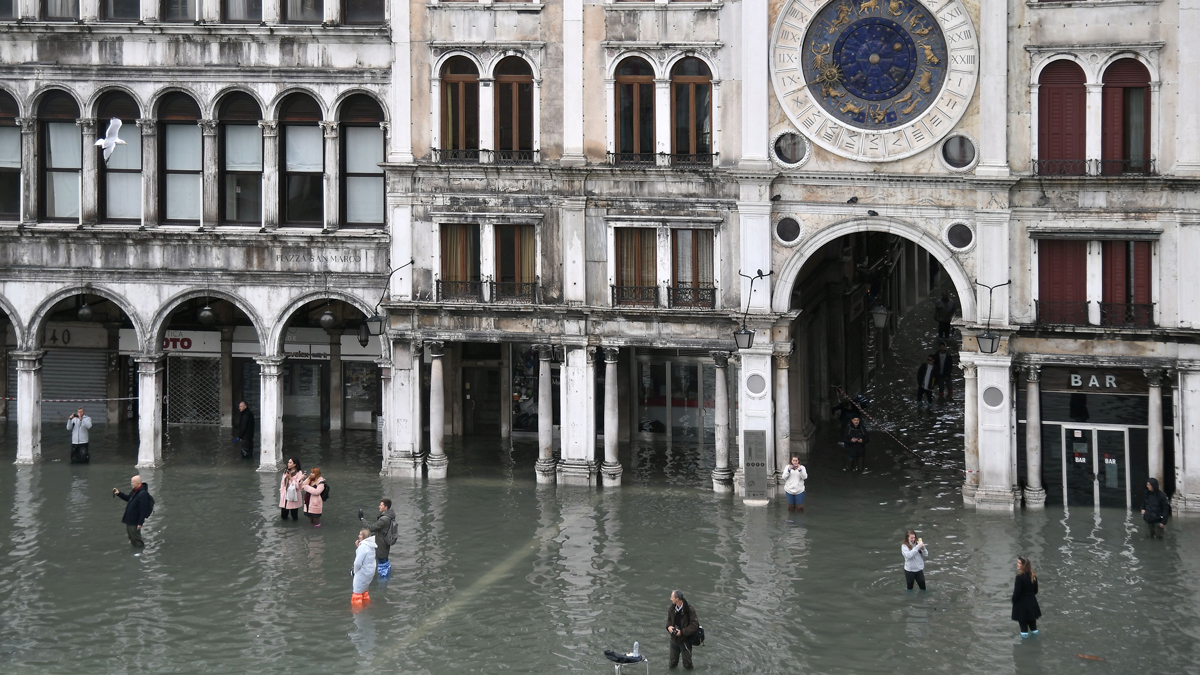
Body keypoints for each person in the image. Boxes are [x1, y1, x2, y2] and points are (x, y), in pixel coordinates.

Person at [113, 475, 154, 548]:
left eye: (132, 482)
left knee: (136, 538)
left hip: (135, 520)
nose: (131, 483)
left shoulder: (143, 493)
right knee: (132, 537)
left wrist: (140, 523)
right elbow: (129, 498)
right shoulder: (135, 491)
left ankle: (139, 552)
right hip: (130, 519)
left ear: (137, 483)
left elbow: (143, 509)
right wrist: (119, 493)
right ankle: (135, 550)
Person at [362, 498, 396, 579]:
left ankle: (382, 584)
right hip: (385, 544)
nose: (379, 507)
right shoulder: (390, 516)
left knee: (382, 565)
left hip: (381, 545)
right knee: (385, 563)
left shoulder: (383, 519)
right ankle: (387, 578)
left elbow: (371, 528)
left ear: (386, 507)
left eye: (381, 505)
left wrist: (362, 519)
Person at [665, 589, 699, 670]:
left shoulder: (689, 610)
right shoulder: (671, 609)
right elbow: (669, 621)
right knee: (672, 663)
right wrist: (668, 627)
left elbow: (694, 625)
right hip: (674, 640)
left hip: (685, 641)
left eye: (672, 597)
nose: (670, 599)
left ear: (677, 599)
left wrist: (682, 632)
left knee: (687, 664)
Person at [1011, 556, 1042, 638]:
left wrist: (1013, 601)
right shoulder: (1033, 576)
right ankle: (1036, 643)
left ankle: (1024, 647)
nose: (1017, 564)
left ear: (1024, 565)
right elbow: (1035, 591)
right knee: (1033, 627)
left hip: (1022, 605)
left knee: (1023, 628)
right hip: (1032, 603)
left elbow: (1016, 593)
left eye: (1019, 563)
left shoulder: (1019, 577)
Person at [351, 528, 378, 607]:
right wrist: (358, 547)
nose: (358, 536)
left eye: (360, 534)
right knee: (364, 592)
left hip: (362, 573)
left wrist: (355, 571)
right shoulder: (371, 545)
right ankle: (366, 605)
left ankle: (357, 609)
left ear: (363, 536)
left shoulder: (363, 547)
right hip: (369, 573)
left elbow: (358, 562)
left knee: (357, 593)